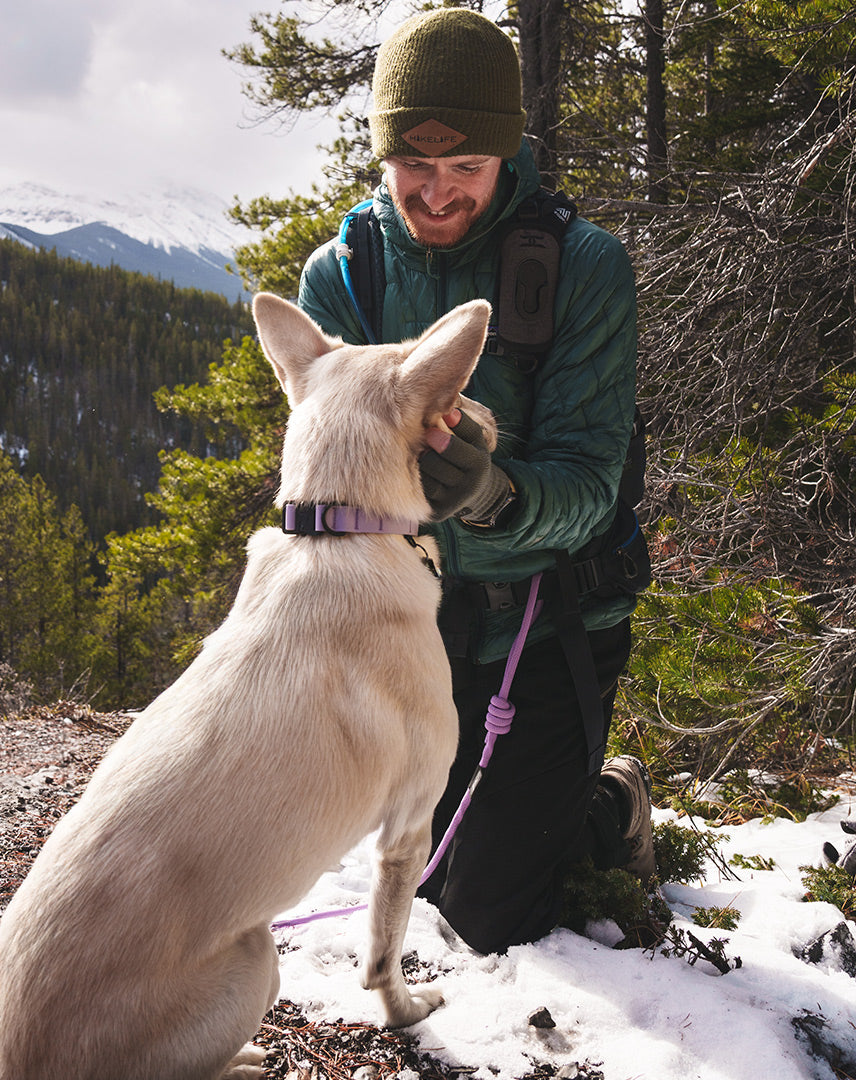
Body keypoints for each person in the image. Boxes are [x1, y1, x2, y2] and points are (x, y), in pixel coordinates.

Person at [296, 8, 653, 955]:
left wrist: (490, 495)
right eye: (416, 168)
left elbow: (589, 483)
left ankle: (609, 806)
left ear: (507, 155)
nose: (439, 194)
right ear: (385, 155)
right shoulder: (344, 276)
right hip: (419, 622)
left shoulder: (581, 269)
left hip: (553, 617)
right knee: (427, 876)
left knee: (484, 915)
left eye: (466, 169)